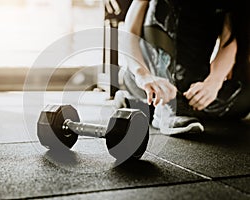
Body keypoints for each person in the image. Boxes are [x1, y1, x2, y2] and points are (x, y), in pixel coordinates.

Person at [105, 0, 250, 134]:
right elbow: (130, 33)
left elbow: (229, 40)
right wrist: (142, 74)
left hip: (190, 84)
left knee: (244, 99)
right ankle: (168, 107)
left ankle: (144, 104)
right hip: (147, 77)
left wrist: (213, 83)